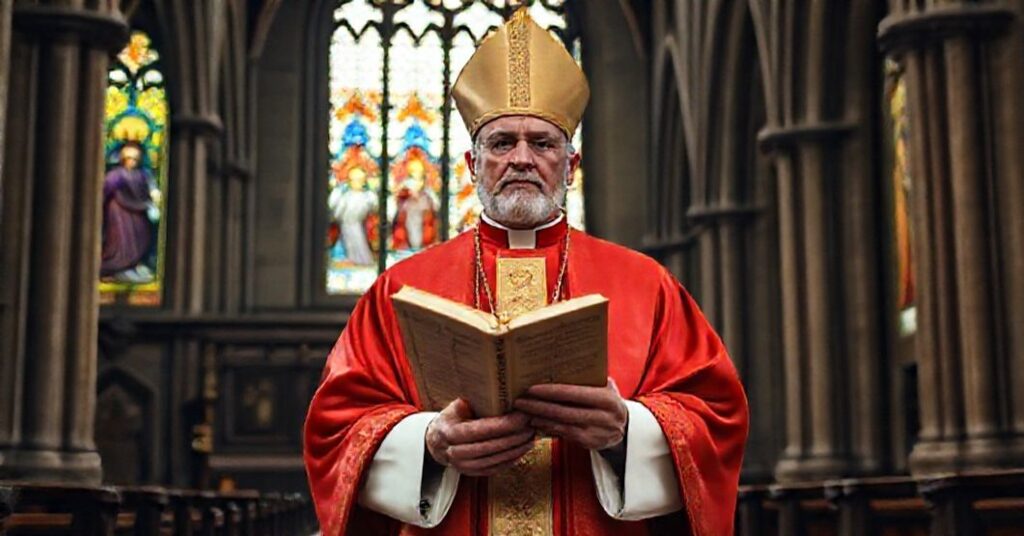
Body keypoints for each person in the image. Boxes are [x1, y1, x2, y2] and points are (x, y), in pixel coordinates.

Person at [304, 9, 748, 536]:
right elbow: (336, 428)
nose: (521, 158)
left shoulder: (645, 283)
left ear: (571, 165)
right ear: (471, 164)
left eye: (541, 143)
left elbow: (716, 417)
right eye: (501, 143)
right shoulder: (399, 288)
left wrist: (628, 430)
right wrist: (428, 442)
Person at [101, 143, 157, 280]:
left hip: (139, 211)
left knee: (141, 237)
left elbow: (151, 189)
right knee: (120, 240)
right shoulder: (116, 174)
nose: (131, 161)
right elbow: (104, 190)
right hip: (118, 212)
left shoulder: (142, 175)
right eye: (128, 158)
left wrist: (154, 195)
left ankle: (134, 264)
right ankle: (118, 267)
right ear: (122, 159)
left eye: (134, 159)